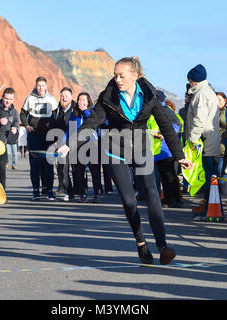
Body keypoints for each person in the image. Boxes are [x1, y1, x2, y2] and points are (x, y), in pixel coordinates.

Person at [57, 56, 193, 265]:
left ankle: (163, 245)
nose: (117, 79)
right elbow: (92, 122)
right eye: (115, 75)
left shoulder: (149, 95)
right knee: (130, 201)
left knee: (152, 195)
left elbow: (165, 124)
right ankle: (141, 243)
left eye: (122, 75)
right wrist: (70, 144)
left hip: (141, 147)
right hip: (116, 149)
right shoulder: (108, 96)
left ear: (135, 76)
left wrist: (180, 156)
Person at [185, 64, 221, 218]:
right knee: (210, 175)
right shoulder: (208, 92)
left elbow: (199, 119)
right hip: (210, 139)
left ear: (193, 80)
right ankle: (208, 205)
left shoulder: (201, 95)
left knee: (208, 176)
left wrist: (192, 139)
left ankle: (209, 208)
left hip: (204, 141)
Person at [21, 76, 58, 201]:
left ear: (46, 86)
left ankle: (49, 191)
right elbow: (22, 113)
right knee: (35, 164)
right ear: (36, 86)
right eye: (38, 85)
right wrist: (26, 125)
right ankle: (35, 190)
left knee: (49, 163)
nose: (40, 88)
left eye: (43, 85)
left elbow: (56, 115)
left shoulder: (51, 99)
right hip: (34, 135)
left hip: (47, 136)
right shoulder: (30, 98)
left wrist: (51, 124)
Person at [51, 87, 76, 201]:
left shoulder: (75, 110)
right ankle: (67, 190)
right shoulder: (56, 111)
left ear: (71, 97)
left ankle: (80, 190)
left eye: (66, 96)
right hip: (61, 144)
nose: (64, 98)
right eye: (62, 96)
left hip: (75, 144)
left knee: (76, 169)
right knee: (62, 168)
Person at [0, 88, 20, 185]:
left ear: (13, 99)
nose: (8, 101)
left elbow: (16, 123)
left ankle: (1, 193)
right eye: (6, 98)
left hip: (2, 144)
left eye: (11, 99)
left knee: (2, 170)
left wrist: (15, 129)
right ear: (2, 97)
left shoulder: (14, 112)